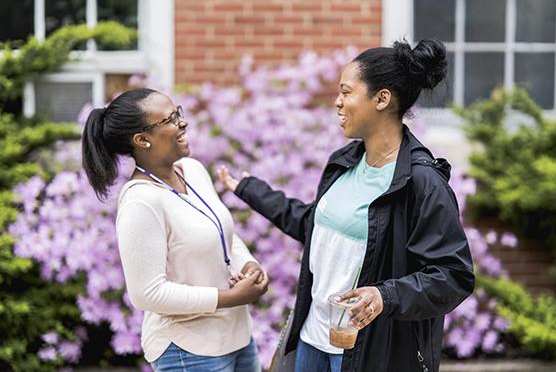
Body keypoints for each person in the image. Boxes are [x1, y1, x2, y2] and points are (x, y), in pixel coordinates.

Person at [218, 39, 475, 372]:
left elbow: (453, 275)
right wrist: (251, 190)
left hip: (371, 354)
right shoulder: (345, 162)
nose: (337, 103)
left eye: (347, 92)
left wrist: (386, 296)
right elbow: (315, 225)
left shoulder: (422, 183)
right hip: (313, 340)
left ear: (382, 99)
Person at [81, 88, 269, 372]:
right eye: (169, 119)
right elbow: (147, 294)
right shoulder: (141, 201)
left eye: (178, 113)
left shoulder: (191, 170)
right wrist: (230, 298)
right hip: (189, 351)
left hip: (238, 338)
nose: (183, 123)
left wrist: (249, 264)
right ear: (142, 140)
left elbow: (218, 229)